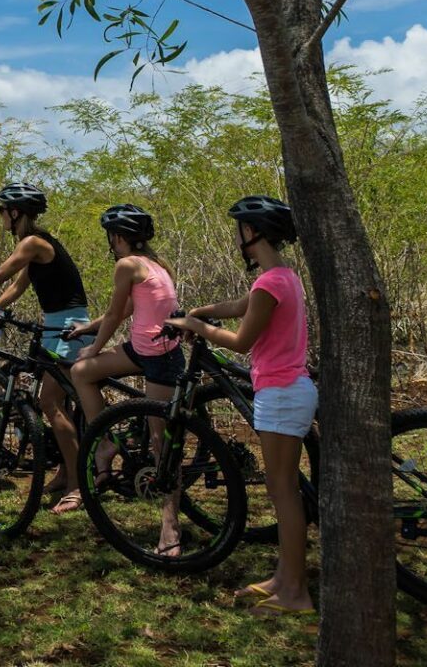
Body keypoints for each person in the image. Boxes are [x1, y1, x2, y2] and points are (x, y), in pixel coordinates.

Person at [168, 196, 316, 615]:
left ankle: (296, 593)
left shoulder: (270, 284)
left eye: (239, 230)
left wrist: (197, 326)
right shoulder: (282, 276)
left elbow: (241, 341)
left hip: (282, 393)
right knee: (280, 489)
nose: (237, 237)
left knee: (283, 492)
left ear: (251, 232)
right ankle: (283, 578)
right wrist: (198, 311)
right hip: (285, 391)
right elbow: (239, 307)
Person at [0, 182, 92, 510]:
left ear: (14, 213)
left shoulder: (32, 243)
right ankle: (67, 471)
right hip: (58, 323)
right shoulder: (34, 244)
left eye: (1, 211)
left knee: (49, 402)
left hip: (69, 326)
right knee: (57, 404)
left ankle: (80, 486)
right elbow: (15, 288)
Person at [67, 203, 185, 551]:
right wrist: (88, 328)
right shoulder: (156, 264)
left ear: (117, 237)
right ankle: (105, 443)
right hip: (142, 349)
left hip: (162, 357)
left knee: (164, 446)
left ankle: (170, 528)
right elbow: (132, 308)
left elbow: (117, 313)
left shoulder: (127, 264)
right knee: (82, 374)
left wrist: (93, 346)